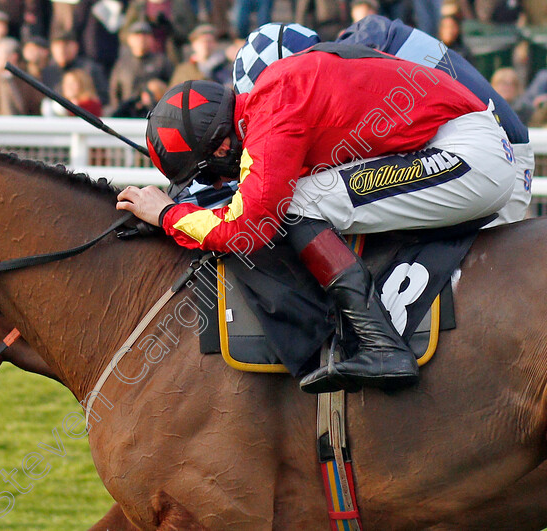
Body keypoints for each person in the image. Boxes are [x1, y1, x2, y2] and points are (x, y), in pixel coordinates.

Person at [117, 48, 516, 394]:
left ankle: (381, 346)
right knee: (307, 193)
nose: (218, 182)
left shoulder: (271, 122)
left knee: (298, 202)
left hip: (468, 156)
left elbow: (245, 230)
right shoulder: (273, 90)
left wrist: (168, 214)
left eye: (207, 174)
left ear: (222, 145)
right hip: (467, 141)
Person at [232, 19, 533, 227]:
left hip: (485, 154)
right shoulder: (361, 44)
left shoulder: (333, 76)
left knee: (312, 205)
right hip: (495, 145)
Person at [108, 21, 172, 115]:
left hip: (155, 114)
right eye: (137, 35)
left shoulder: (161, 62)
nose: (141, 39)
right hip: (127, 114)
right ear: (129, 39)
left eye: (145, 35)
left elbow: (171, 88)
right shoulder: (122, 65)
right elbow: (114, 92)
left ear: (152, 39)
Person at [41, 30, 109, 106]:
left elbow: (104, 98)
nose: (62, 50)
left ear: (76, 46)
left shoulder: (90, 69)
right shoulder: (47, 72)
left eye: (66, 45)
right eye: (57, 46)